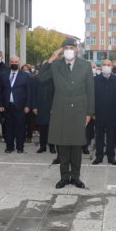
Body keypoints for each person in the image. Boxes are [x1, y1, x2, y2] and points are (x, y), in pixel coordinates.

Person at [37, 38, 94, 189]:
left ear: (76, 50)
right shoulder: (56, 65)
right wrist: (51, 58)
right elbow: (41, 78)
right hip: (61, 109)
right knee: (62, 145)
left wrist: (89, 112)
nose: (69, 50)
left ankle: (75, 177)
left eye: (71, 47)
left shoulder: (85, 65)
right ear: (62, 50)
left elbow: (90, 90)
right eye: (66, 48)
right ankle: (64, 177)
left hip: (79, 110)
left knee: (76, 146)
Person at [92, 60, 116, 165]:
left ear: (111, 67)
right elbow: (91, 97)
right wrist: (92, 113)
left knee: (111, 137)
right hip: (98, 114)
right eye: (104, 65)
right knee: (99, 137)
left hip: (113, 114)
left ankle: (111, 157)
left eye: (108, 65)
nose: (106, 66)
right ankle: (98, 157)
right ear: (101, 66)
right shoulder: (95, 80)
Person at [0, 55, 32, 153]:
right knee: (8, 128)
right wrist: (0, 104)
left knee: (20, 128)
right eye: (12, 62)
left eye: (16, 62)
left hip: (21, 106)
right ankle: (9, 147)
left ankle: (20, 147)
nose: (14, 63)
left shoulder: (25, 75)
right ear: (9, 62)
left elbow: (29, 92)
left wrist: (28, 105)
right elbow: (0, 91)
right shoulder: (3, 75)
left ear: (19, 62)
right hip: (7, 106)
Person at [32, 63, 55, 154]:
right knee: (42, 127)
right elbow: (33, 93)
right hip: (40, 106)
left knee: (52, 127)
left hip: (51, 106)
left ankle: (52, 146)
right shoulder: (37, 79)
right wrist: (34, 106)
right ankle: (42, 146)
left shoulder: (54, 78)